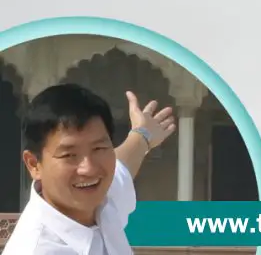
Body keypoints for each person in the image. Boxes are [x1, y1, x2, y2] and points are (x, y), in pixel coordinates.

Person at [6, 83, 177, 255]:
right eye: (69, 155)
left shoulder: (103, 200)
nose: (88, 169)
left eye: (98, 149)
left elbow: (123, 164)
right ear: (34, 164)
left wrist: (143, 134)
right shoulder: (36, 249)